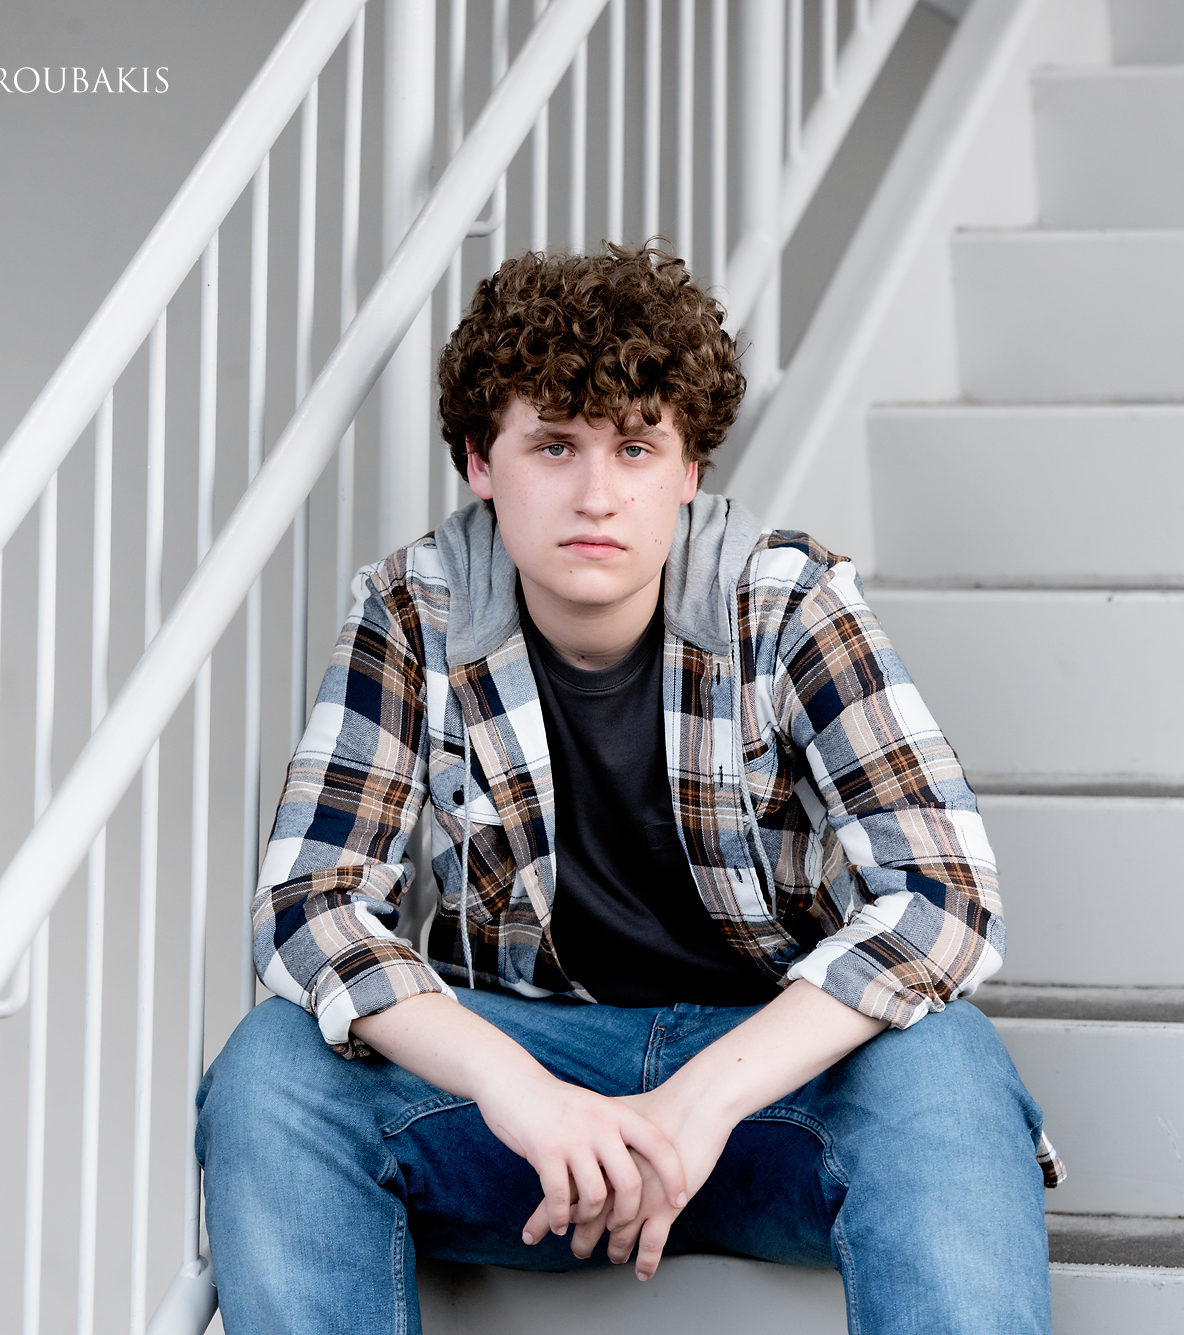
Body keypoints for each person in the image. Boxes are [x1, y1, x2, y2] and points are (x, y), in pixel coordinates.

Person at [196, 243, 1062, 1335]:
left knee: (943, 1063)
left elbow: (945, 896)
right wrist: (518, 1091)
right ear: (480, 462)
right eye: (554, 445)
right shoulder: (415, 612)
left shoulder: (783, 602)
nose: (597, 495)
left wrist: (702, 1099)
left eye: (637, 447)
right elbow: (307, 906)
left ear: (688, 471)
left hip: (761, 1096)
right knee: (274, 1067)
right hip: (526, 1109)